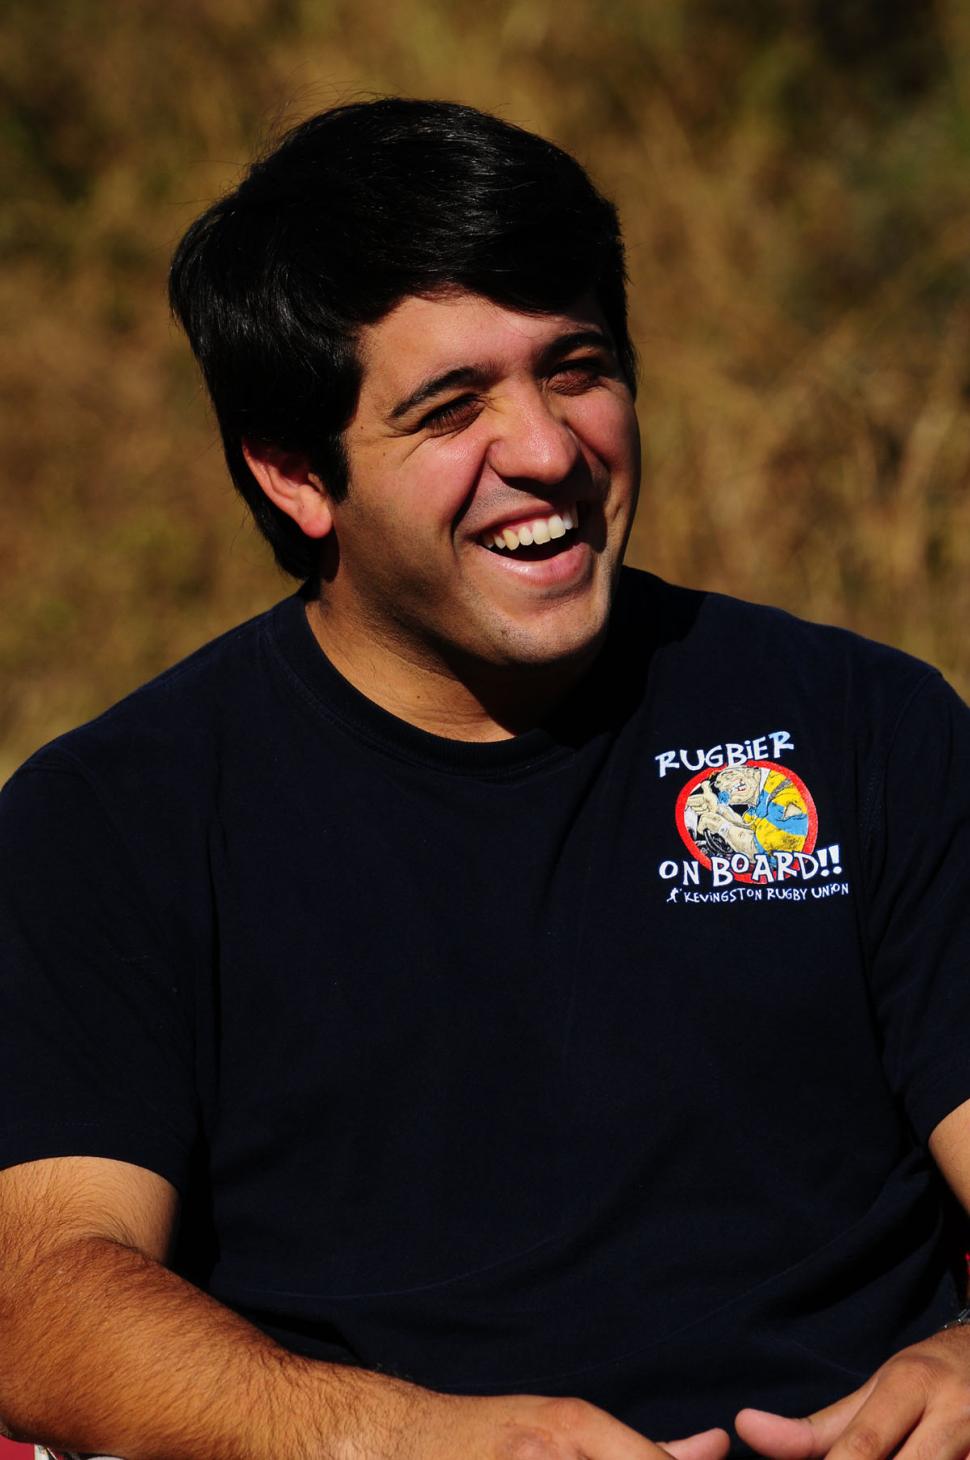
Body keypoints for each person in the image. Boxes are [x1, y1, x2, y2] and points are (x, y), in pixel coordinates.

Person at [1, 97, 969, 1460]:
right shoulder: (111, 819)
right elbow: (39, 1299)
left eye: (576, 368)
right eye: (451, 408)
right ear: (295, 475)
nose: (549, 451)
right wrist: (411, 1440)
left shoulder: (867, 727)